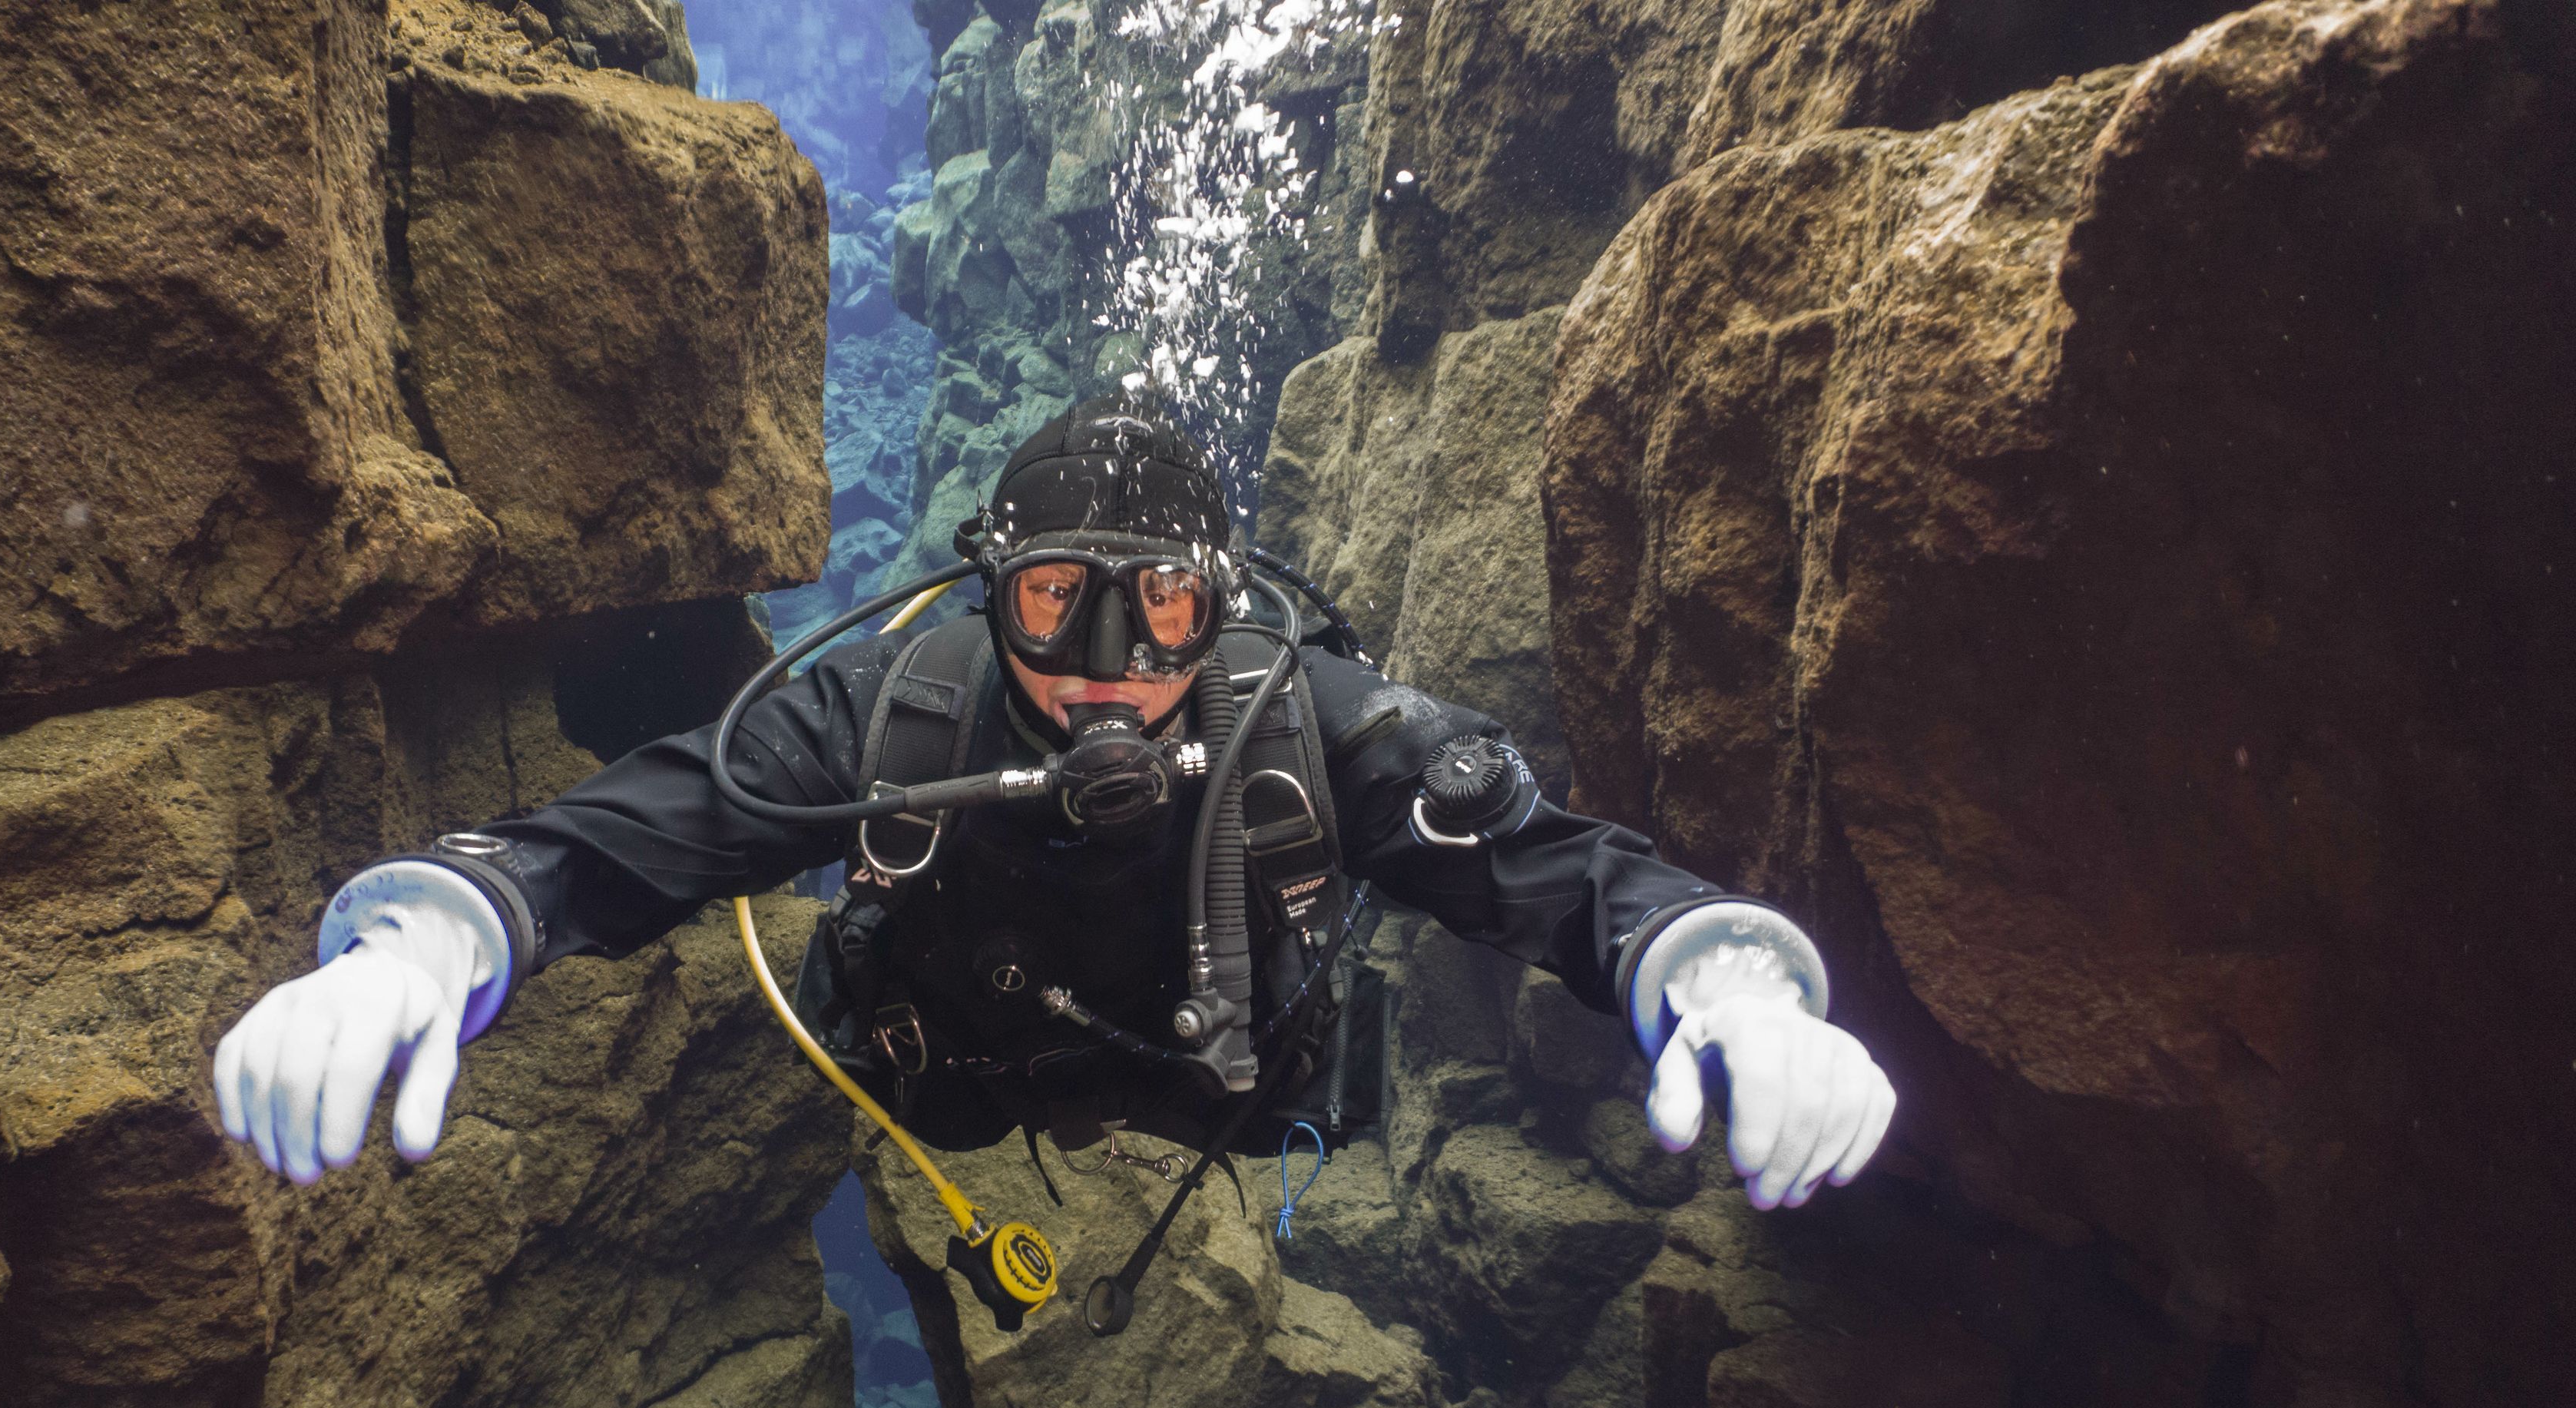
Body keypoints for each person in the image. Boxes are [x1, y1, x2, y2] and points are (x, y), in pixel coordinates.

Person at [212, 398, 1894, 1250]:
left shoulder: (1312, 723)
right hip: (952, 1091)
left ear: (1222, 608)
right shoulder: (896, 713)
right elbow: (637, 831)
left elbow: (1559, 871)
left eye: (1161, 609)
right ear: (986, 592)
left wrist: (1730, 977)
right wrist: (431, 936)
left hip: (1239, 1105)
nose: (1107, 665)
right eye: (1054, 600)